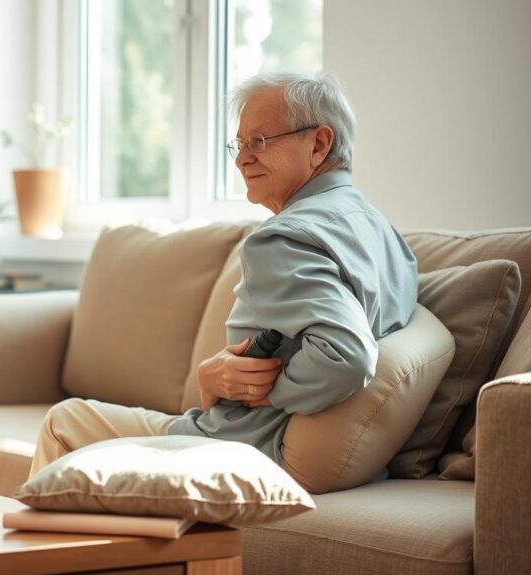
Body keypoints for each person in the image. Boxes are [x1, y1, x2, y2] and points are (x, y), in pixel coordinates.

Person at [29, 72, 418, 477]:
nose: (241, 159)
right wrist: (215, 375)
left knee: (65, 420)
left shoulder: (282, 239)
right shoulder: (382, 231)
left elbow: (348, 357)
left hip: (241, 446)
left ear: (319, 144)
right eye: (240, 144)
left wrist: (253, 391)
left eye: (259, 141)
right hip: (342, 458)